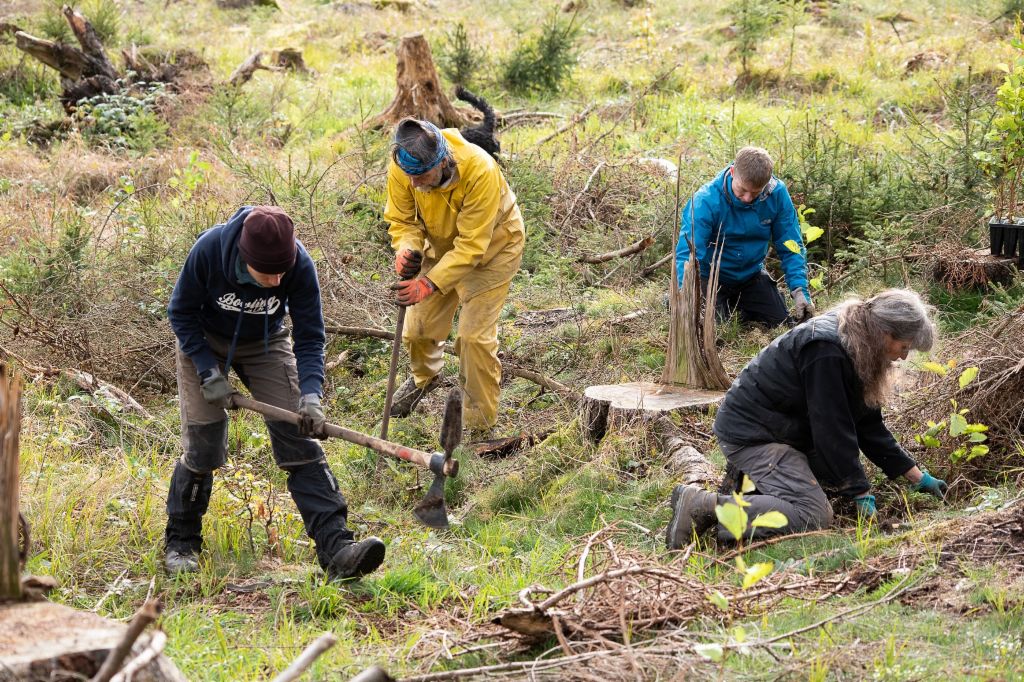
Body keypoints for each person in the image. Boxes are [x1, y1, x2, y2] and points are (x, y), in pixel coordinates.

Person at [164, 205, 385, 580]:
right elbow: (180, 312)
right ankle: (182, 541)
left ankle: (337, 549)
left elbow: (311, 335)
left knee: (300, 440)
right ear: (244, 258)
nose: (276, 278)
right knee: (204, 445)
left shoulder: (299, 265)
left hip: (266, 344)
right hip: (203, 341)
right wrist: (206, 371)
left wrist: (311, 395)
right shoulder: (209, 251)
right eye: (268, 273)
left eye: (281, 271)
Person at [665, 289, 948, 549]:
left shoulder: (860, 344)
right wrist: (858, 491)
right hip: (754, 434)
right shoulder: (827, 349)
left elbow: (866, 424)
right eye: (904, 347)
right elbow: (831, 428)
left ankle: (753, 486)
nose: (903, 357)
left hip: (783, 428)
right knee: (813, 514)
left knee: (828, 474)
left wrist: (917, 477)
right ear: (886, 332)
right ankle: (704, 505)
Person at [383, 117, 524, 437]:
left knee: (473, 340)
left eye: (421, 177)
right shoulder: (404, 165)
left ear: (443, 161)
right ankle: (425, 378)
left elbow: (472, 246)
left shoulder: (480, 170)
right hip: (441, 246)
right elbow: (402, 219)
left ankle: (478, 426)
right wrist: (407, 248)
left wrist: (429, 283)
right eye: (410, 177)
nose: (414, 184)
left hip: (494, 250)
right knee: (417, 331)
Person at [676, 146, 813, 327]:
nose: (748, 198)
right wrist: (685, 296)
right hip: (711, 279)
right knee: (716, 329)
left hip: (751, 276)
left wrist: (799, 289)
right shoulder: (705, 201)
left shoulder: (777, 194)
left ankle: (738, 307)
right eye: (742, 190)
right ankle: (676, 302)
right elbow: (689, 256)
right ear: (732, 172)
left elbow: (791, 244)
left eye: (755, 193)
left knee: (783, 325)